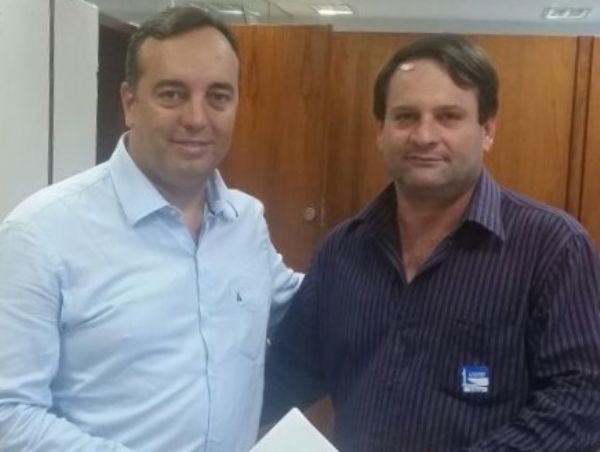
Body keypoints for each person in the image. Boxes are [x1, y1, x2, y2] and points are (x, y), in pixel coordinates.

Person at [262, 34, 600, 451]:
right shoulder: (341, 252)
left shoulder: (553, 249)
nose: (424, 136)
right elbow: (287, 375)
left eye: (448, 116)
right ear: (381, 131)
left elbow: (580, 401)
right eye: (405, 116)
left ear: (487, 130)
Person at [0, 6, 301, 452]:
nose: (196, 118)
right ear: (130, 103)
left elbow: (305, 306)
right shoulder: (40, 234)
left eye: (218, 96)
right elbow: (9, 415)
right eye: (172, 94)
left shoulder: (246, 222)